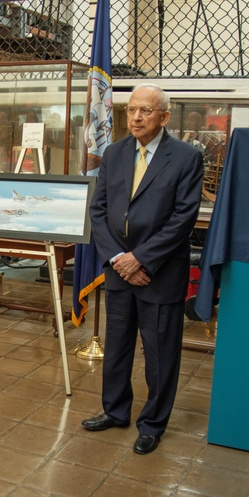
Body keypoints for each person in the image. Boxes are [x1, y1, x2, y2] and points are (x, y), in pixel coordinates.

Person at [82, 84, 204, 455]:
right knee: (117, 347)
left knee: (159, 354)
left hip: (160, 273)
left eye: (146, 111)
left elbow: (184, 218)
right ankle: (115, 411)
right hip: (121, 271)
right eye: (132, 109)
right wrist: (121, 259)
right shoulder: (115, 153)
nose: (136, 117)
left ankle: (152, 423)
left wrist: (142, 258)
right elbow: (99, 211)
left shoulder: (185, 158)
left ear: (164, 117)